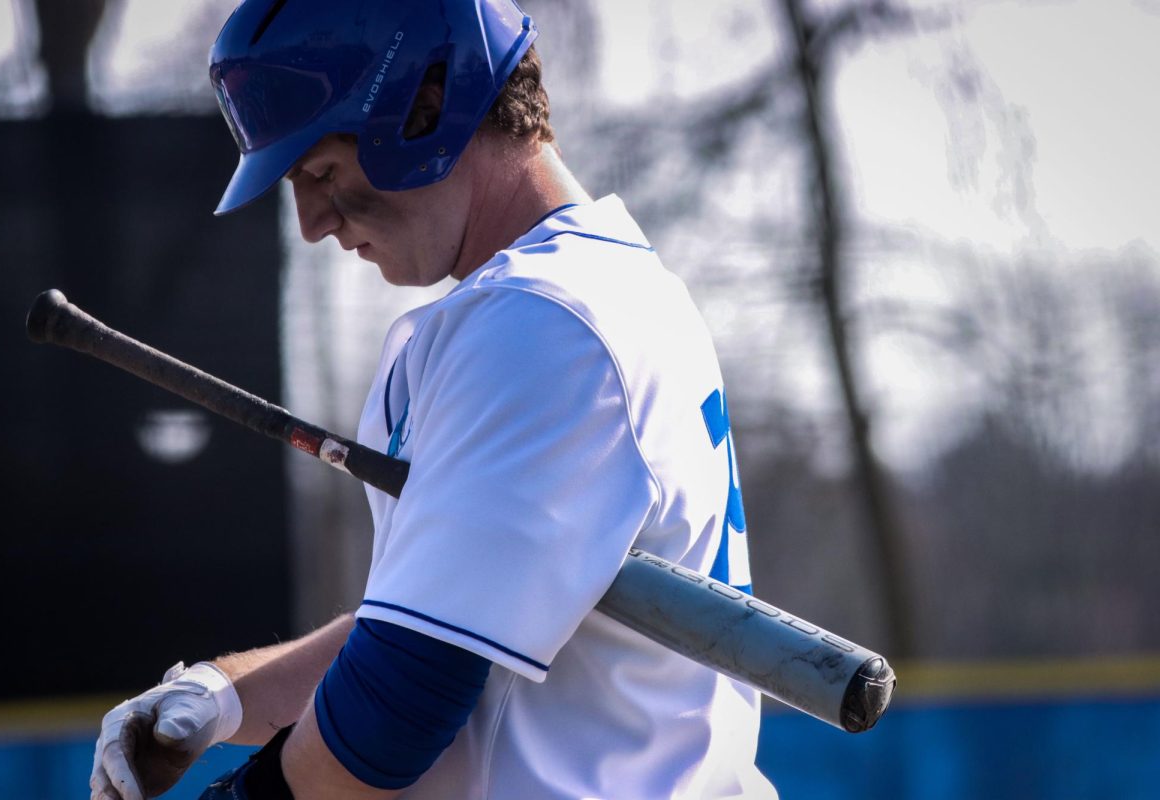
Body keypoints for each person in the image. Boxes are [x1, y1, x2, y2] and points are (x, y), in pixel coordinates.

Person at [89, 1, 776, 798]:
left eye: (321, 171)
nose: (311, 222)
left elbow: (403, 695)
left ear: (427, 103)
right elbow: (436, 618)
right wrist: (222, 695)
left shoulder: (543, 320)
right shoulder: (590, 293)